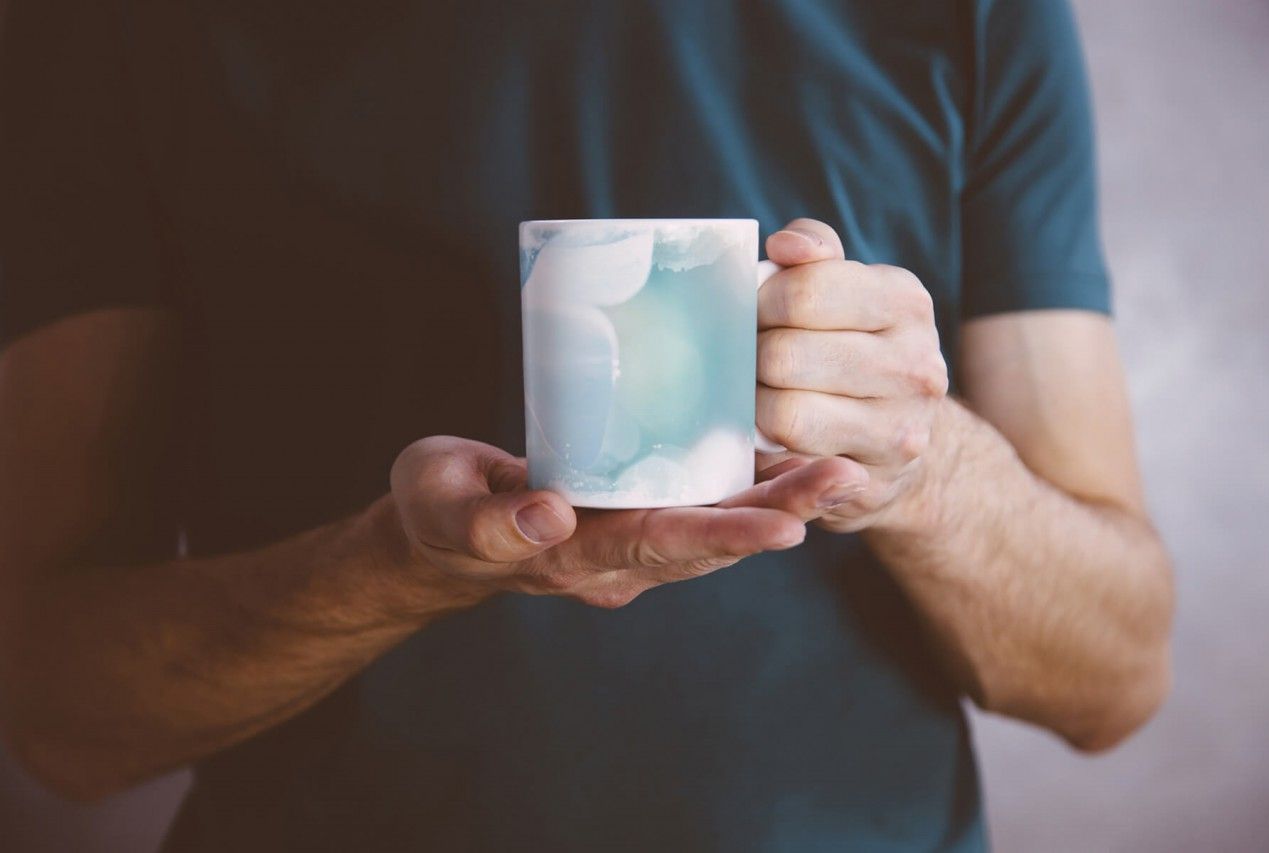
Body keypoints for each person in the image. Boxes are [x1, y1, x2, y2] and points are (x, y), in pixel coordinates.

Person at [0, 1, 1173, 850]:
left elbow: (1111, 680)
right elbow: (57, 722)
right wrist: (391, 571)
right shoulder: (122, 26)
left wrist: (927, 472)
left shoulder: (975, 14)